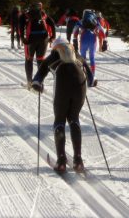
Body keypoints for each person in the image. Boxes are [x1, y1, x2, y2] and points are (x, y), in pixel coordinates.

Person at [30, 37, 96, 172]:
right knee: (74, 118)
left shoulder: (54, 54)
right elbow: (91, 77)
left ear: (55, 47)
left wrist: (37, 84)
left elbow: (39, 74)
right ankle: (78, 160)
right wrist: (90, 81)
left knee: (59, 119)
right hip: (80, 84)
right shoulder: (75, 53)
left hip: (63, 84)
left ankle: (61, 161)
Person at [19, 2, 57, 88]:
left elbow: (20, 27)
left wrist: (22, 38)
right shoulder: (43, 14)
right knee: (40, 60)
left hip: (31, 40)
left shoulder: (26, 15)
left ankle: (29, 83)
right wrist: (53, 36)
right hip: (43, 40)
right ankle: (40, 82)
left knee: (29, 60)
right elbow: (52, 24)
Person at [72, 9, 104, 74]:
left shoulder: (81, 21)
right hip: (93, 39)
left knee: (82, 57)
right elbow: (102, 29)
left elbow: (75, 30)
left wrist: (74, 38)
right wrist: (105, 40)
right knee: (92, 57)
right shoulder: (95, 21)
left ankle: (83, 73)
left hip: (84, 38)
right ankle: (93, 74)